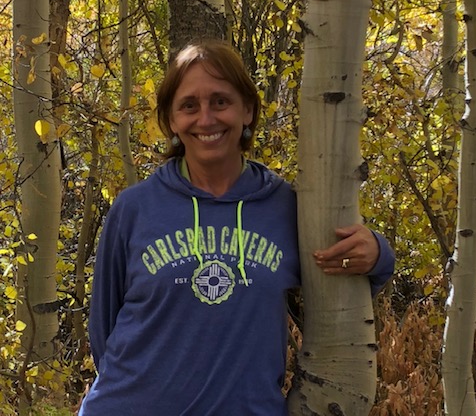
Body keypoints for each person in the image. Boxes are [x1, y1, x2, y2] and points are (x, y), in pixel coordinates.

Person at [78, 40, 394, 416]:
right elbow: (103, 333)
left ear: (247, 109)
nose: (206, 118)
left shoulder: (288, 208)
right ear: (171, 120)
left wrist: (377, 253)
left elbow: (340, 294)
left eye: (221, 101)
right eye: (189, 106)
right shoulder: (134, 209)